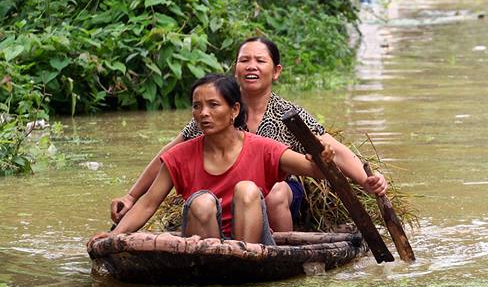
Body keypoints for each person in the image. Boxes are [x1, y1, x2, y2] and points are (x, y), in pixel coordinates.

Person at [110, 36, 386, 232]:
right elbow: (168, 158)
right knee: (207, 200)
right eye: (244, 60)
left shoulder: (288, 114)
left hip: (273, 193)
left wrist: (366, 181)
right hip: (218, 196)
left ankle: (280, 250)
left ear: (275, 71)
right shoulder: (214, 111)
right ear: (236, 69)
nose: (251, 66)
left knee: (274, 192)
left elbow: (330, 149)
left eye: (260, 61)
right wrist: (132, 196)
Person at [92, 74, 339, 246]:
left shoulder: (265, 148)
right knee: (202, 202)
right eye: (197, 106)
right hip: (204, 244)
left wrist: (324, 160)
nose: (203, 114)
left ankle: (245, 260)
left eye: (213, 105)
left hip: (251, 245)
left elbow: (315, 171)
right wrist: (115, 235)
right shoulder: (179, 156)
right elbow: (148, 204)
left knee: (247, 189)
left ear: (234, 110)